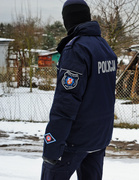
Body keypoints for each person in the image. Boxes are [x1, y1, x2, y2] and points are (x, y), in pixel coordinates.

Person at [41, 0, 117, 179]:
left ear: (68, 19)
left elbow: (66, 101)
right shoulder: (104, 47)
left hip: (75, 140)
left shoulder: (76, 49)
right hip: (99, 137)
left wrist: (52, 145)